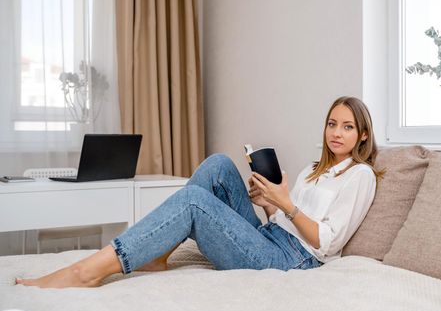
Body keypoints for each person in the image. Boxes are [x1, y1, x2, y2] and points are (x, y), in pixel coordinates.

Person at [16, 96, 382, 288]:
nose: (336, 132)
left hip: (293, 261)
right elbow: (285, 219)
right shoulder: (314, 169)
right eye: (332, 124)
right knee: (219, 165)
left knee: (194, 202)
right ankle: (160, 255)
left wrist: (286, 205)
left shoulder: (360, 176)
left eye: (348, 127)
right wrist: (270, 203)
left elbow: (327, 242)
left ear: (362, 134)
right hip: (272, 236)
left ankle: (87, 272)